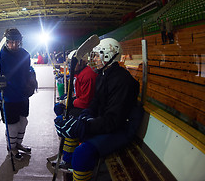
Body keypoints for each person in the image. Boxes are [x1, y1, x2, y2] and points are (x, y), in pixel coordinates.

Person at [54, 38, 144, 181]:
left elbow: (113, 121)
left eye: (97, 55)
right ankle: (69, 164)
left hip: (120, 130)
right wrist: (84, 116)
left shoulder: (122, 81)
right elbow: (95, 102)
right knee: (68, 123)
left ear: (108, 55)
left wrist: (85, 126)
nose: (94, 59)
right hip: (106, 123)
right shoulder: (103, 74)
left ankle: (78, 170)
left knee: (82, 153)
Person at [0, 28, 32, 160]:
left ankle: (18, 144)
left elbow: (27, 71)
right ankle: (11, 148)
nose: (14, 45)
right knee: (12, 126)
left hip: (23, 96)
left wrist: (32, 78)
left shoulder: (25, 55)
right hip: (8, 98)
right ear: (6, 42)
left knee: (23, 122)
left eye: (17, 42)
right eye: (11, 42)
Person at [52, 53, 98, 171]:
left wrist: (69, 102)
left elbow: (85, 102)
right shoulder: (79, 74)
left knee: (66, 122)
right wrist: (68, 99)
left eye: (72, 63)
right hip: (81, 106)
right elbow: (78, 95)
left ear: (80, 62)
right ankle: (66, 152)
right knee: (58, 108)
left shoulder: (87, 75)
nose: (69, 65)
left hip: (87, 110)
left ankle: (68, 159)